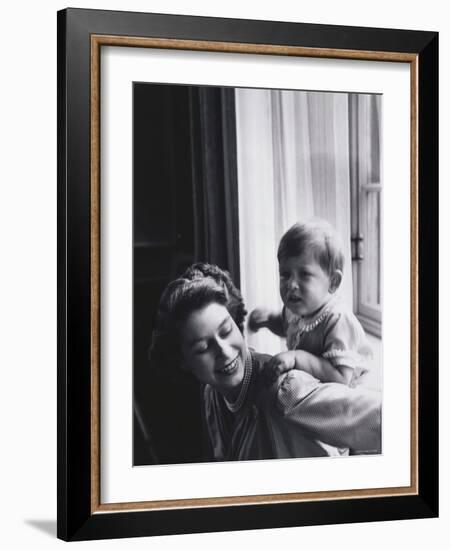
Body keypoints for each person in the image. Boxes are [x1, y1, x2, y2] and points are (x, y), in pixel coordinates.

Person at [150, 262, 381, 461]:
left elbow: (384, 417)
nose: (223, 350)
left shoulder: (286, 391)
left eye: (226, 330)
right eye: (202, 348)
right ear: (183, 361)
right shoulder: (213, 396)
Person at [249, 219, 372, 387]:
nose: (292, 284)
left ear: (333, 282)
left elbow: (341, 378)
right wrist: (269, 320)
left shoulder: (338, 320)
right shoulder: (297, 307)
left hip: (346, 399)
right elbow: (285, 326)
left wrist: (297, 358)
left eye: (304, 274)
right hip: (314, 386)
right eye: (285, 274)